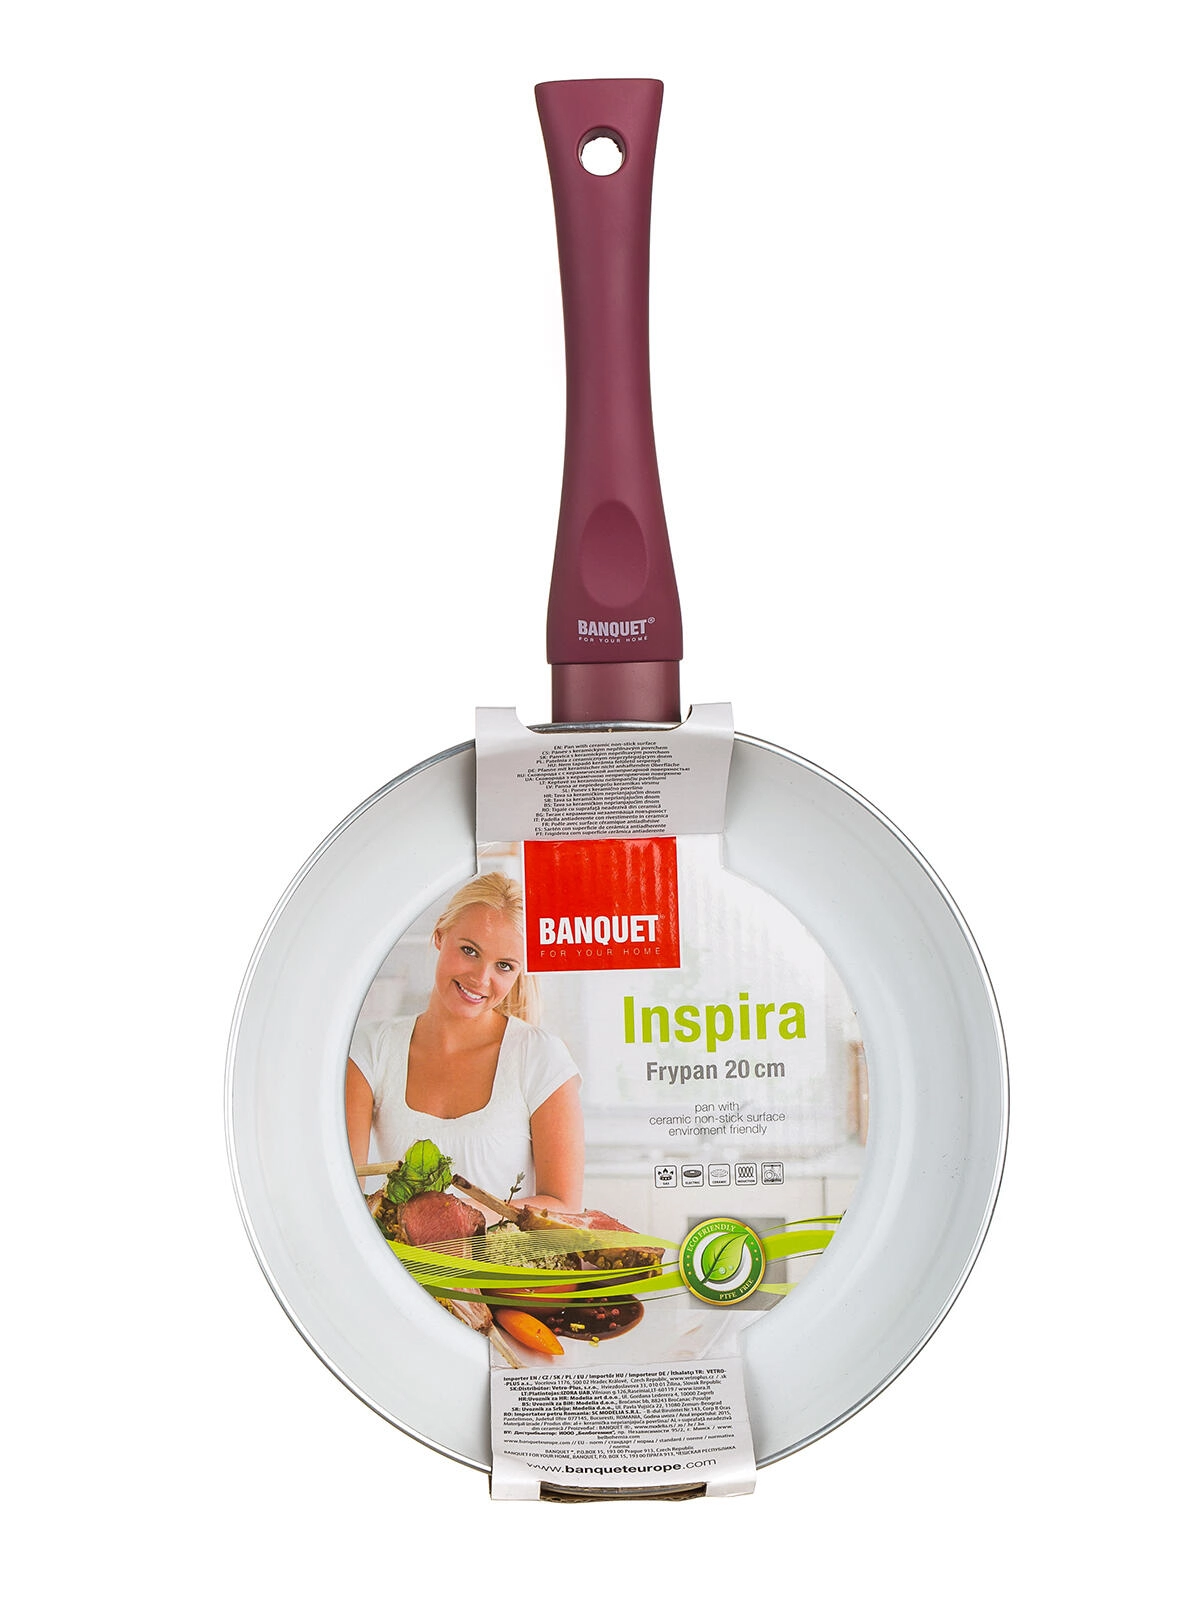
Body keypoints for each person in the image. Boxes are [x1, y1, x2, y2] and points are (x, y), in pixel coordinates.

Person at [345, 872, 583, 1212]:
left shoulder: (540, 1056)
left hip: (506, 1251)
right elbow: (344, 1192)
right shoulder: (372, 1050)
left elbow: (564, 1205)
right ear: (440, 935)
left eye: (504, 966)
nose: (481, 978)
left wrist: (453, 1222)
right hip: (397, 1251)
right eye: (469, 951)